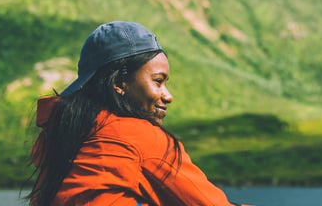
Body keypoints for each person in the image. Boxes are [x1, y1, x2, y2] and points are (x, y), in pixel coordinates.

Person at [28, 21, 242, 205]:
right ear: (120, 83)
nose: (168, 96)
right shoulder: (137, 136)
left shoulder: (61, 138)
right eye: (158, 81)